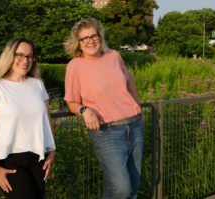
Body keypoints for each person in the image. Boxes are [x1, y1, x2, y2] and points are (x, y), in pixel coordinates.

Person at [64, 18, 144, 199]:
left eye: (94, 35)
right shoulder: (75, 66)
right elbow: (71, 102)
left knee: (133, 186)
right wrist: (85, 111)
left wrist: (138, 109)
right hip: (107, 132)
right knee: (121, 187)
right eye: (84, 38)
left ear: (100, 36)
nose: (90, 41)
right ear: (78, 43)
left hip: (134, 125)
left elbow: (129, 80)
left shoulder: (114, 56)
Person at [0, 38, 56, 199]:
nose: (25, 60)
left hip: (38, 159)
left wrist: (52, 151)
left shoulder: (38, 85)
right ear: (9, 56)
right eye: (19, 55)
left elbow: (47, 120)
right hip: (10, 162)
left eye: (29, 56)